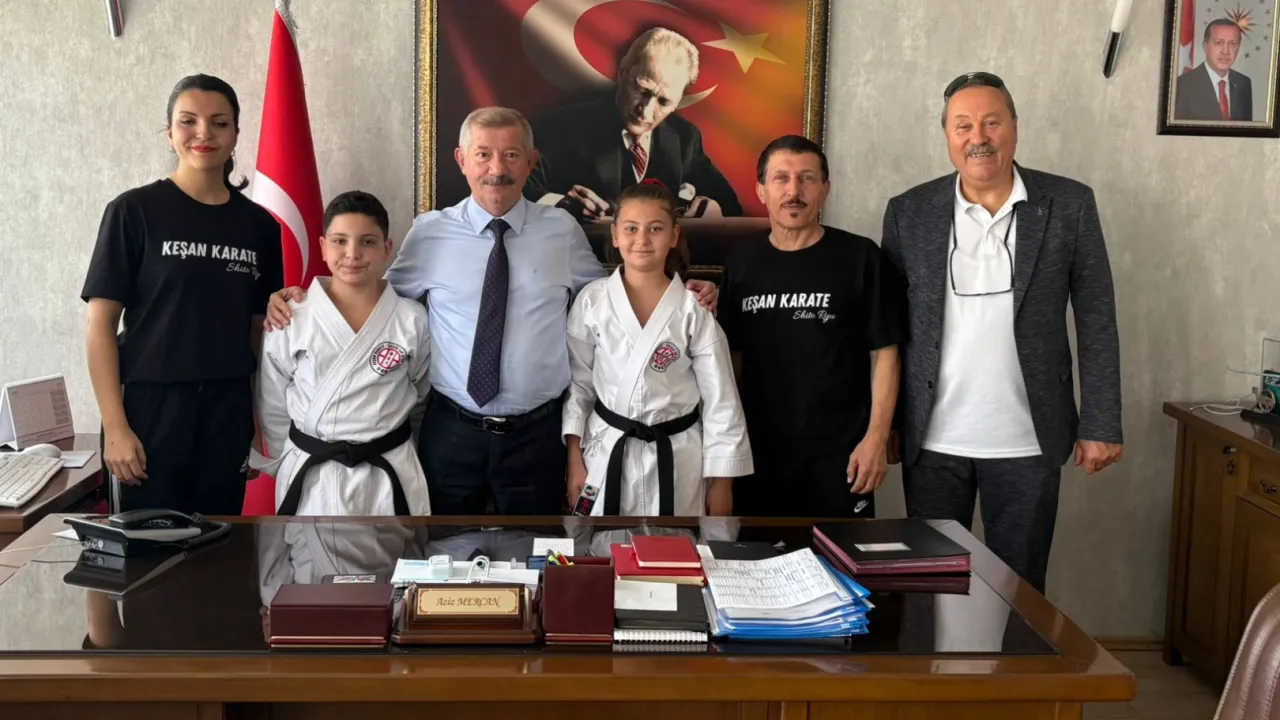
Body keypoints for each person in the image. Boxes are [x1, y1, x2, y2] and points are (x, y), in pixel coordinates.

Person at [265, 107, 718, 516]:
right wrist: (303, 298)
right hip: (452, 430)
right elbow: (372, 294)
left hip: (537, 435)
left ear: (532, 162)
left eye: (511, 156)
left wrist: (681, 289)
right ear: (461, 160)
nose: (497, 170)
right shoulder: (429, 234)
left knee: (537, 555)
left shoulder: (561, 231)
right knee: (439, 554)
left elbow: (612, 294)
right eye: (483, 155)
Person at [880, 72, 1123, 594]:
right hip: (933, 440)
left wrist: (1101, 421)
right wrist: (887, 424)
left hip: (1028, 441)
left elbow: (1097, 315)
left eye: (991, 122)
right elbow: (891, 330)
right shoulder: (909, 211)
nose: (978, 137)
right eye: (963, 125)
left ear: (1014, 127)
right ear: (947, 135)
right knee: (931, 592)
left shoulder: (1068, 204)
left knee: (1019, 593)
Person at [81, 73, 284, 516]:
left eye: (219, 123)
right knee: (146, 548)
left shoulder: (260, 227)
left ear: (236, 134)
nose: (203, 133)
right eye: (188, 121)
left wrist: (254, 421)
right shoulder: (132, 212)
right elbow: (99, 328)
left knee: (218, 545)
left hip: (227, 408)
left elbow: (258, 334)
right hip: (149, 409)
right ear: (170, 133)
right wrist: (116, 427)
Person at [716, 135, 907, 519]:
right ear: (761, 190)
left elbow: (886, 355)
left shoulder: (861, 257)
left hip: (840, 456)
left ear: (825, 189)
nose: (794, 191)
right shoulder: (741, 261)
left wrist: (876, 438)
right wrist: (724, 448)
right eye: (781, 178)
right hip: (758, 454)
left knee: (840, 556)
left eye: (806, 178)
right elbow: (731, 361)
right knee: (757, 555)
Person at [564, 179, 752, 517]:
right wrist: (574, 461)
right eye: (631, 228)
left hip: (678, 456)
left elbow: (721, 400)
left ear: (674, 235)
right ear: (615, 235)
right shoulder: (592, 301)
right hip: (605, 451)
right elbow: (580, 386)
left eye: (655, 228)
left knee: (674, 545)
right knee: (602, 542)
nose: (642, 239)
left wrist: (722, 482)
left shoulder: (694, 309)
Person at [254, 191, 432, 516]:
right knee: (305, 550)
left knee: (395, 549)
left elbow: (420, 396)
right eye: (339, 241)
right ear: (322, 246)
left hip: (389, 470)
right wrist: (291, 454)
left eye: (367, 242)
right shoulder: (291, 316)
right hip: (312, 472)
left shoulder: (411, 319)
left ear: (387, 249)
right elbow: (273, 403)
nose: (352, 253)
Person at [524, 27, 741, 223]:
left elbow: (730, 205)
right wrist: (560, 205)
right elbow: (517, 190)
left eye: (664, 102)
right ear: (622, 74)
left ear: (677, 102)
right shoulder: (562, 127)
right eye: (642, 90)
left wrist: (714, 209)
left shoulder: (685, 138)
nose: (645, 111)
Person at [1174, 19, 1252, 121]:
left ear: (1238, 49)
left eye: (1232, 44)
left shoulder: (1243, 83)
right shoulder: (1182, 85)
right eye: (1219, 43)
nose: (1225, 51)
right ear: (1205, 46)